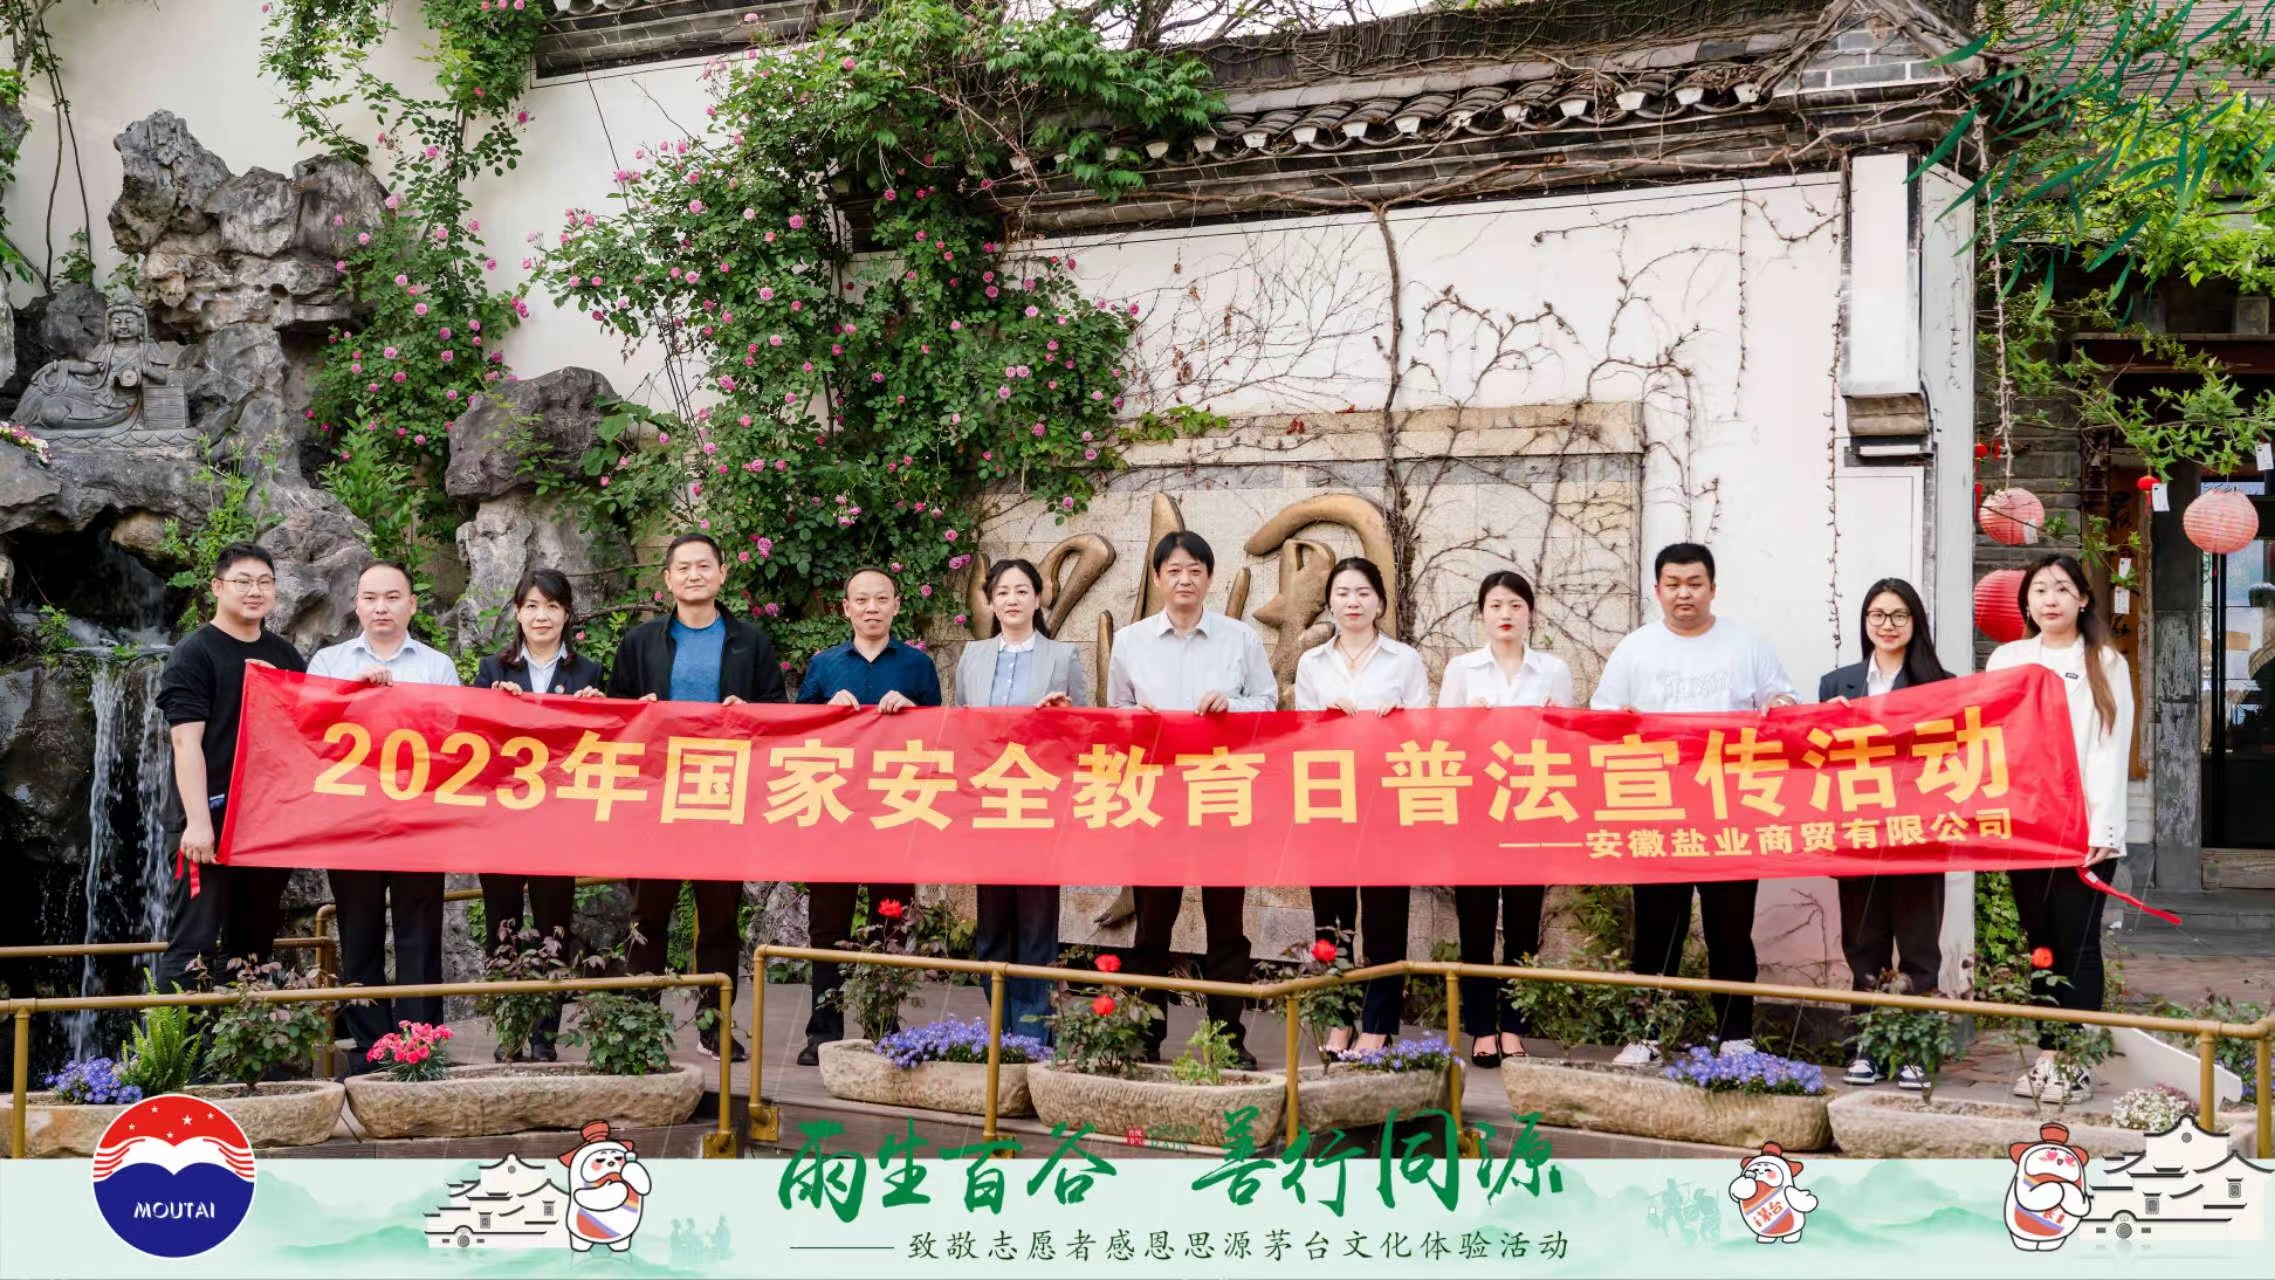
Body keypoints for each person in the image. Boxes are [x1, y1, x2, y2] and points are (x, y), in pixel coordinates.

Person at [1591, 542, 1798, 1066]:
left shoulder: (1747, 644)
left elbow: (1784, 703)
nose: (1684, 594)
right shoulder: (1635, 649)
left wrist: (1779, 705)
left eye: (1695, 584)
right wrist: (1621, 721)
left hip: (1730, 812)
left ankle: (1736, 1036)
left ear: (1713, 588)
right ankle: (1645, 1034)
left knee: (1731, 930)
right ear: (1657, 590)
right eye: (1673, 584)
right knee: (1657, 929)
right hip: (1657, 810)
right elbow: (1601, 720)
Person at [608, 532, 786, 1061]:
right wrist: (637, 710)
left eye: (704, 566)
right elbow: (614, 713)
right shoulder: (641, 641)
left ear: (722, 574)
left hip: (722, 794)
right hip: (656, 796)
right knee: (647, 916)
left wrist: (749, 712)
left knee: (720, 919)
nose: (694, 575)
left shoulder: (750, 641)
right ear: (667, 579)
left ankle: (715, 1026)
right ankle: (639, 1029)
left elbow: (777, 710)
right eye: (683, 567)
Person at [1106, 531, 1277, 1068]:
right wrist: (1135, 720)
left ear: (1209, 577)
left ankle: (1227, 1039)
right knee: (1152, 924)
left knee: (1226, 924)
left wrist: (1232, 705)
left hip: (1221, 791)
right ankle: (1145, 1033)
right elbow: (1115, 712)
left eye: (1195, 570)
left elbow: (1268, 703)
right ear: (1158, 578)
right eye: (1174, 571)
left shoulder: (1239, 639)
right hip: (1157, 797)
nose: (1185, 580)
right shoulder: (1131, 641)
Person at [1987, 553, 2134, 1105]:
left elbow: (2111, 747)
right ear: (2026, 601)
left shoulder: (2104, 661)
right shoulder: (2008, 657)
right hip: (2026, 826)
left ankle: (2074, 1061)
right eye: (2040, 590)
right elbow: (1988, 734)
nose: (2050, 599)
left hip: (2082, 829)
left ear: (2083, 599)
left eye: (2062, 589)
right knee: (2041, 942)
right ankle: (2047, 1054)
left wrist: (2104, 827)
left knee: (2079, 942)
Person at [307, 561, 462, 1068]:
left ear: (411, 604)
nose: (381, 607)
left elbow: (454, 740)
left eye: (392, 597)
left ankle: (421, 1043)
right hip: (351, 823)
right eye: (370, 597)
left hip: (418, 822)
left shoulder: (437, 666)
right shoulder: (329, 663)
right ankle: (371, 1048)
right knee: (359, 932)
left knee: (420, 931)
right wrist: (353, 693)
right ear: (355, 604)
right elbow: (308, 731)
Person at [795, 566, 944, 1065]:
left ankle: (884, 1024)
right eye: (861, 600)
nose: (872, 607)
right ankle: (823, 1031)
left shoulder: (918, 666)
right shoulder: (824, 665)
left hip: (894, 814)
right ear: (847, 608)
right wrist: (826, 712)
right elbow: (796, 735)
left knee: (890, 924)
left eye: (881, 599)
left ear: (897, 605)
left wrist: (914, 711)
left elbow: (942, 735)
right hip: (834, 813)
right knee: (827, 929)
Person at [154, 542, 308, 995]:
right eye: (243, 581)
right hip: (210, 821)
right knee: (193, 945)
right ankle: (179, 1041)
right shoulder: (195, 653)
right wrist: (198, 822)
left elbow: (306, 732)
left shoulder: (284, 655)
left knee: (253, 946)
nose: (254, 590)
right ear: (218, 587)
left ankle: (245, 1038)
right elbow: (185, 742)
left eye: (264, 582)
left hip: (267, 822)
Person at [1817, 577, 1951, 1089]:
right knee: (1864, 946)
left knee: (1919, 948)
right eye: (1877, 615)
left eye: (1899, 615)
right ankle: (1867, 1048)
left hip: (1918, 834)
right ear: (1865, 621)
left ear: (1915, 622)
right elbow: (1818, 760)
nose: (1887, 625)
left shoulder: (1941, 683)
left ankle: (1915, 1051)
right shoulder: (1837, 684)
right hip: (1858, 834)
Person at [1438, 569, 1575, 1067]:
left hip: (1531, 808)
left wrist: (1559, 721)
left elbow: (1567, 745)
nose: (1506, 614)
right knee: (1475, 923)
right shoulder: (1462, 669)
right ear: (1481, 613)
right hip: (1477, 810)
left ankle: (1514, 1026)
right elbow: (1439, 740)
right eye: (1496, 605)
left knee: (1523, 921)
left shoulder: (1552, 670)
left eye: (1516, 605)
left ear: (1530, 613)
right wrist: (1466, 723)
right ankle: (1480, 1027)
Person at [1293, 556, 1428, 1059]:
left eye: (1363, 593)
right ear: (1330, 602)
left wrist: (1401, 721)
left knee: (1385, 917)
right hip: (1329, 801)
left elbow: (1426, 733)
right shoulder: (1312, 663)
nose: (1353, 602)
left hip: (1386, 802)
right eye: (1343, 593)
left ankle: (1379, 1025)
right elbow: (1300, 734)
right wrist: (1325, 721)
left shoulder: (1403, 660)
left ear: (1380, 602)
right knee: (1331, 919)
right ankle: (1338, 1019)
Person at [471, 567, 606, 1062]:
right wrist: (492, 706)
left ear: (567, 614)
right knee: (501, 926)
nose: (541, 616)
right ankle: (509, 1031)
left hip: (558, 825)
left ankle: (545, 1035)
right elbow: (473, 742)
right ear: (517, 613)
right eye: (531, 606)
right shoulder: (492, 669)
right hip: (502, 823)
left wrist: (599, 710)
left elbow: (604, 749)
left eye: (551, 606)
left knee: (554, 928)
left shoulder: (589, 674)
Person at [954, 558, 1088, 1044]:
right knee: (992, 925)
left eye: (1021, 591)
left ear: (1039, 597)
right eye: (1003, 592)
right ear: (991, 601)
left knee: (1035, 922)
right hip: (988, 806)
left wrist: (1064, 716)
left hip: (1039, 805)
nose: (1012, 600)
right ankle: (1000, 1031)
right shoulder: (972, 655)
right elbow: (961, 725)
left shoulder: (1062, 657)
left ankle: (1032, 1038)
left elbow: (1085, 729)